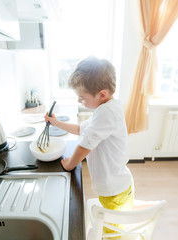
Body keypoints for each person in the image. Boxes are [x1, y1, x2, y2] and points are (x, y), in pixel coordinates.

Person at [44, 56, 134, 234]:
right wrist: (55, 123)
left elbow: (86, 144)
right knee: (114, 228)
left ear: (102, 94)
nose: (79, 102)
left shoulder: (107, 113)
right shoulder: (106, 109)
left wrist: (70, 165)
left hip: (114, 190)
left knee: (113, 233)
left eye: (82, 98)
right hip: (115, 184)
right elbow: (81, 130)